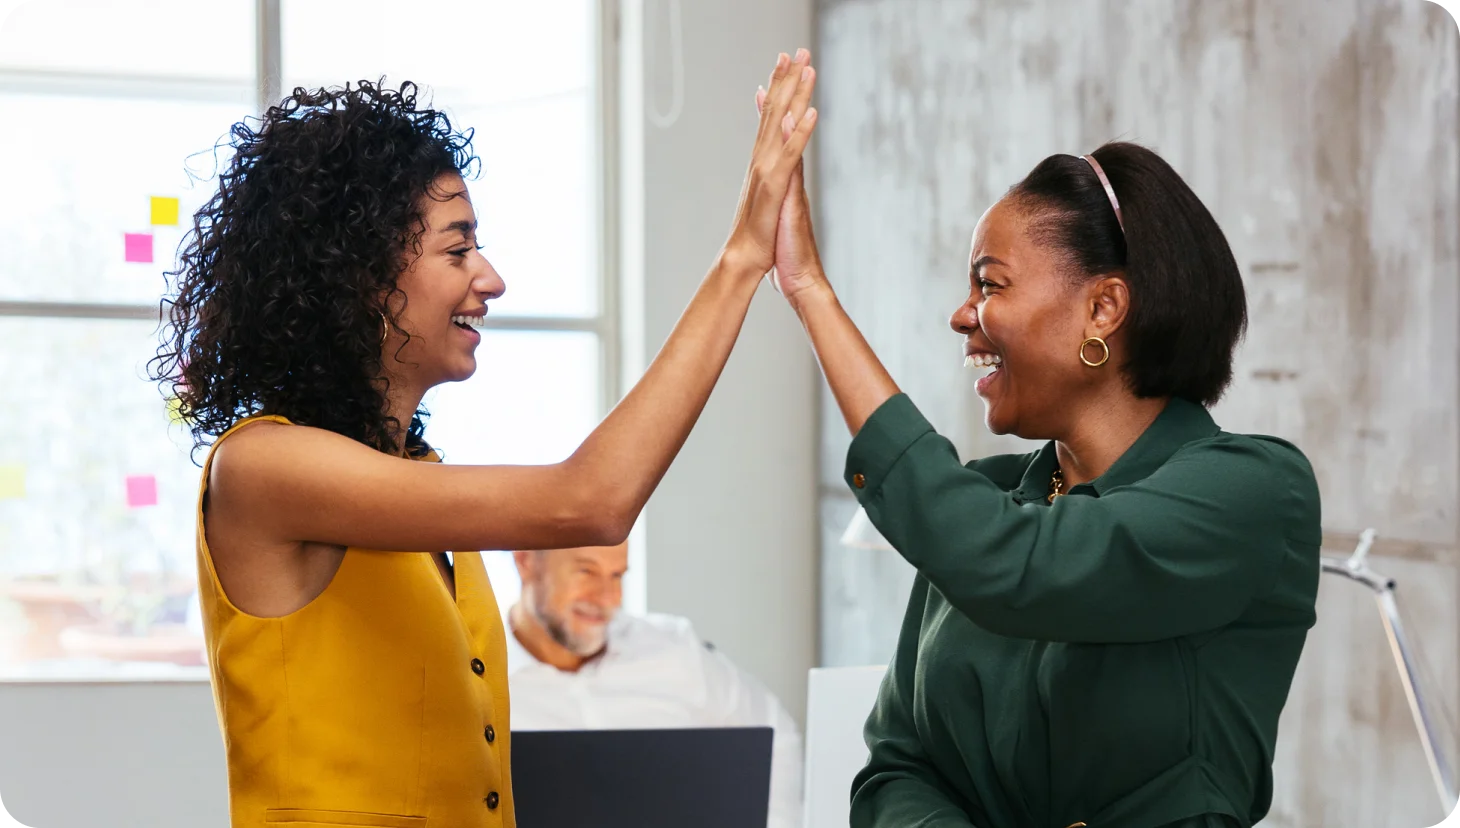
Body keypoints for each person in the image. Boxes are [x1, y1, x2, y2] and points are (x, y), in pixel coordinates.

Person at [152, 50, 819, 828]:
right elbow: (589, 500)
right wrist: (744, 255)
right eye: (457, 247)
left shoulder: (419, 478)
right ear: (360, 275)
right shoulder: (265, 468)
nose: (491, 277)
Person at [754, 114, 1321, 828]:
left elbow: (1017, 568)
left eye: (990, 284)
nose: (964, 315)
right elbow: (899, 767)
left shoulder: (1254, 492)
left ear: (1103, 308)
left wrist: (811, 293)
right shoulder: (987, 500)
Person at [505, 542, 805, 828]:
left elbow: (775, 731)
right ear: (526, 560)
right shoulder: (475, 684)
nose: (608, 598)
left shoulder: (673, 649)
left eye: (617, 575)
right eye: (587, 571)